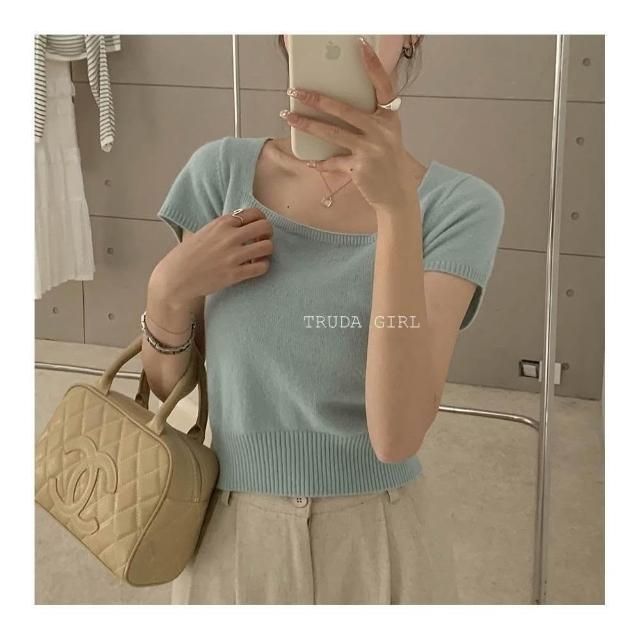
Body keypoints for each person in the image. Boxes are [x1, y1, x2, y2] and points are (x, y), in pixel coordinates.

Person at [142, 34, 505, 604]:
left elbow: (397, 437)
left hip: (378, 537)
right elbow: (173, 396)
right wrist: (166, 292)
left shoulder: (459, 207)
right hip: (228, 530)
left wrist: (397, 209)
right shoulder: (219, 173)